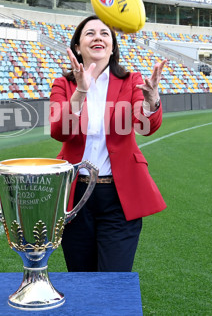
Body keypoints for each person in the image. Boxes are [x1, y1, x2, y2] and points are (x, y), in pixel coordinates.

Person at [49, 15, 167, 272]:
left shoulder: (132, 81)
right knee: (81, 277)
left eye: (105, 33)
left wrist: (152, 101)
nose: (98, 37)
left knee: (114, 279)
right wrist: (81, 91)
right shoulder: (63, 85)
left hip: (118, 196)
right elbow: (59, 131)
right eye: (89, 33)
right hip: (75, 195)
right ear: (78, 47)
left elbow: (145, 125)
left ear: (112, 46)